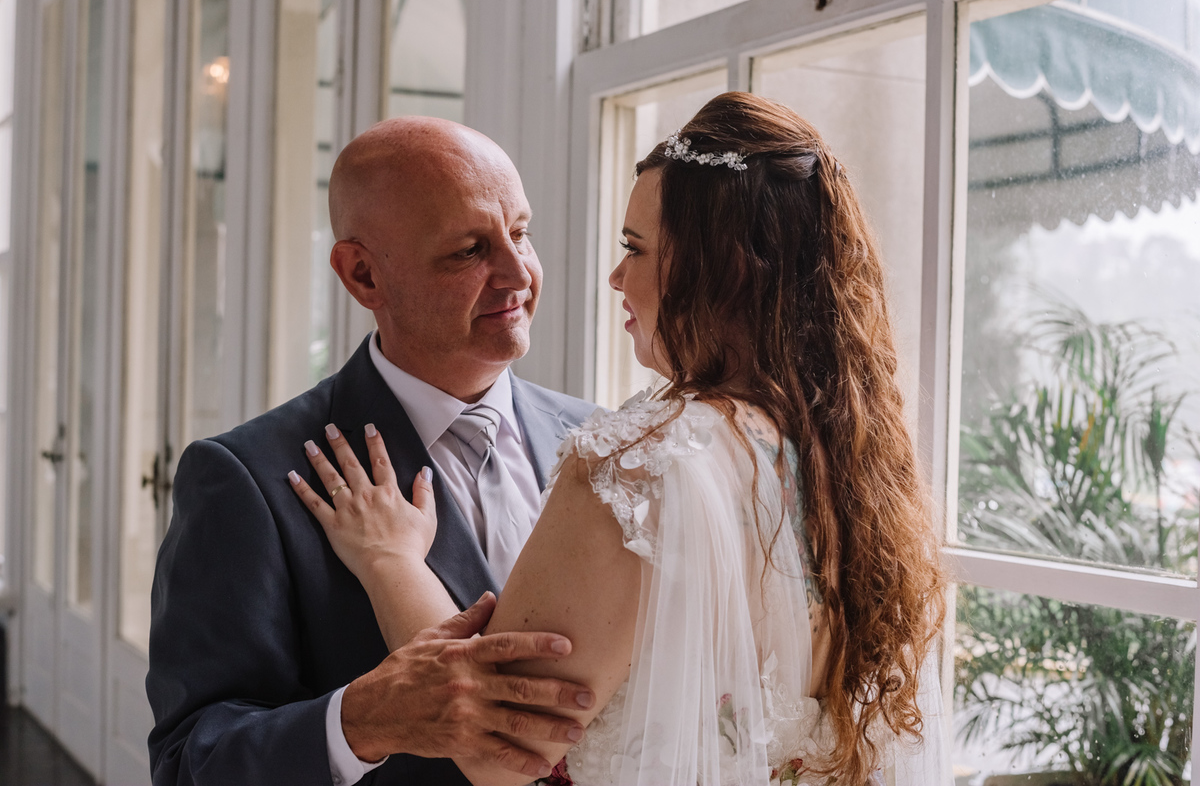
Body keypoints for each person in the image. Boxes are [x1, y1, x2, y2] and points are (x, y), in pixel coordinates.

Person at [292, 91, 951, 786]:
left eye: (634, 249)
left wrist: (390, 561)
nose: (615, 277)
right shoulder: (842, 455)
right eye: (469, 249)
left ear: (724, 271)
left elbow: (494, 747)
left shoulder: (635, 466)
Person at [146, 117, 601, 785]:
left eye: (521, 232)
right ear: (363, 275)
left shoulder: (604, 441)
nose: (518, 273)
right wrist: (361, 722)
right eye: (469, 250)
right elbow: (190, 763)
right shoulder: (248, 479)